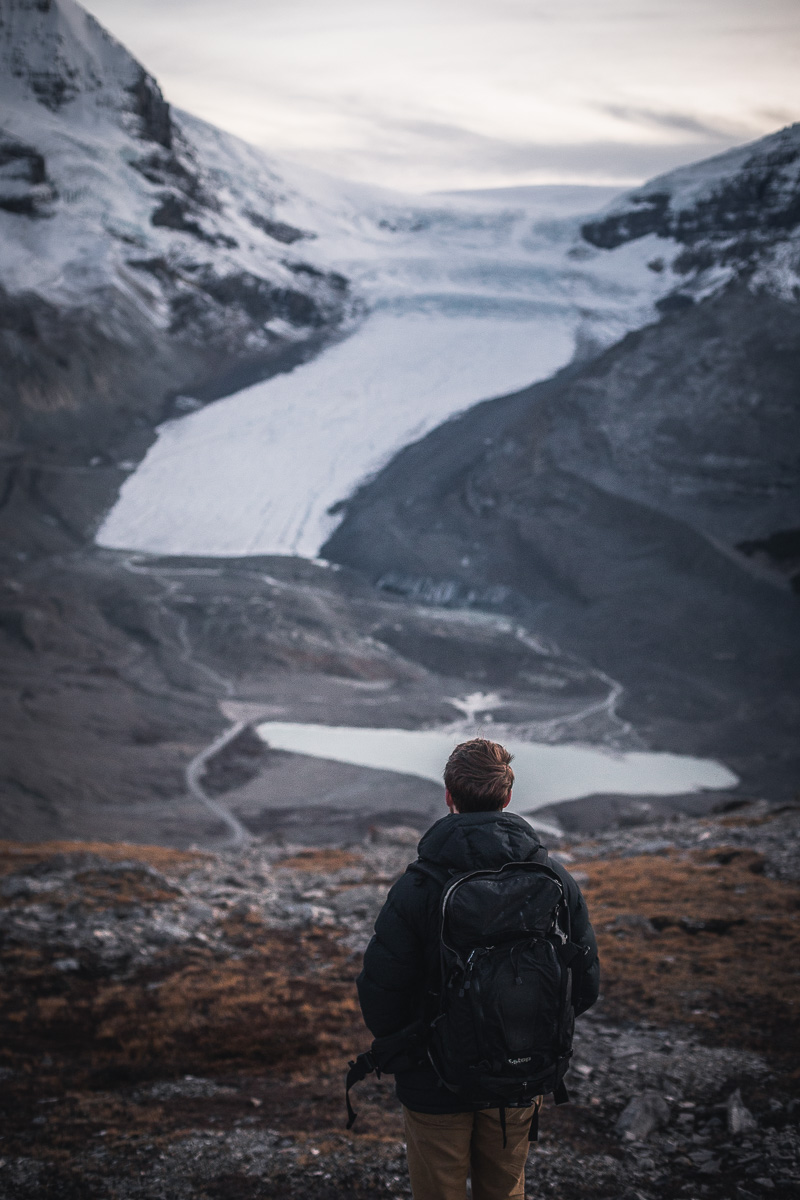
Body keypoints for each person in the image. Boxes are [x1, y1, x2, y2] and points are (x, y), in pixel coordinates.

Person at [357, 737, 599, 1200]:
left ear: (449, 797)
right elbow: (584, 986)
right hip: (519, 1072)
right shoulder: (554, 879)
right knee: (505, 1191)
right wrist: (519, 1029)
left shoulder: (417, 887)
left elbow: (380, 996)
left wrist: (417, 1048)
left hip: (433, 1081)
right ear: (508, 797)